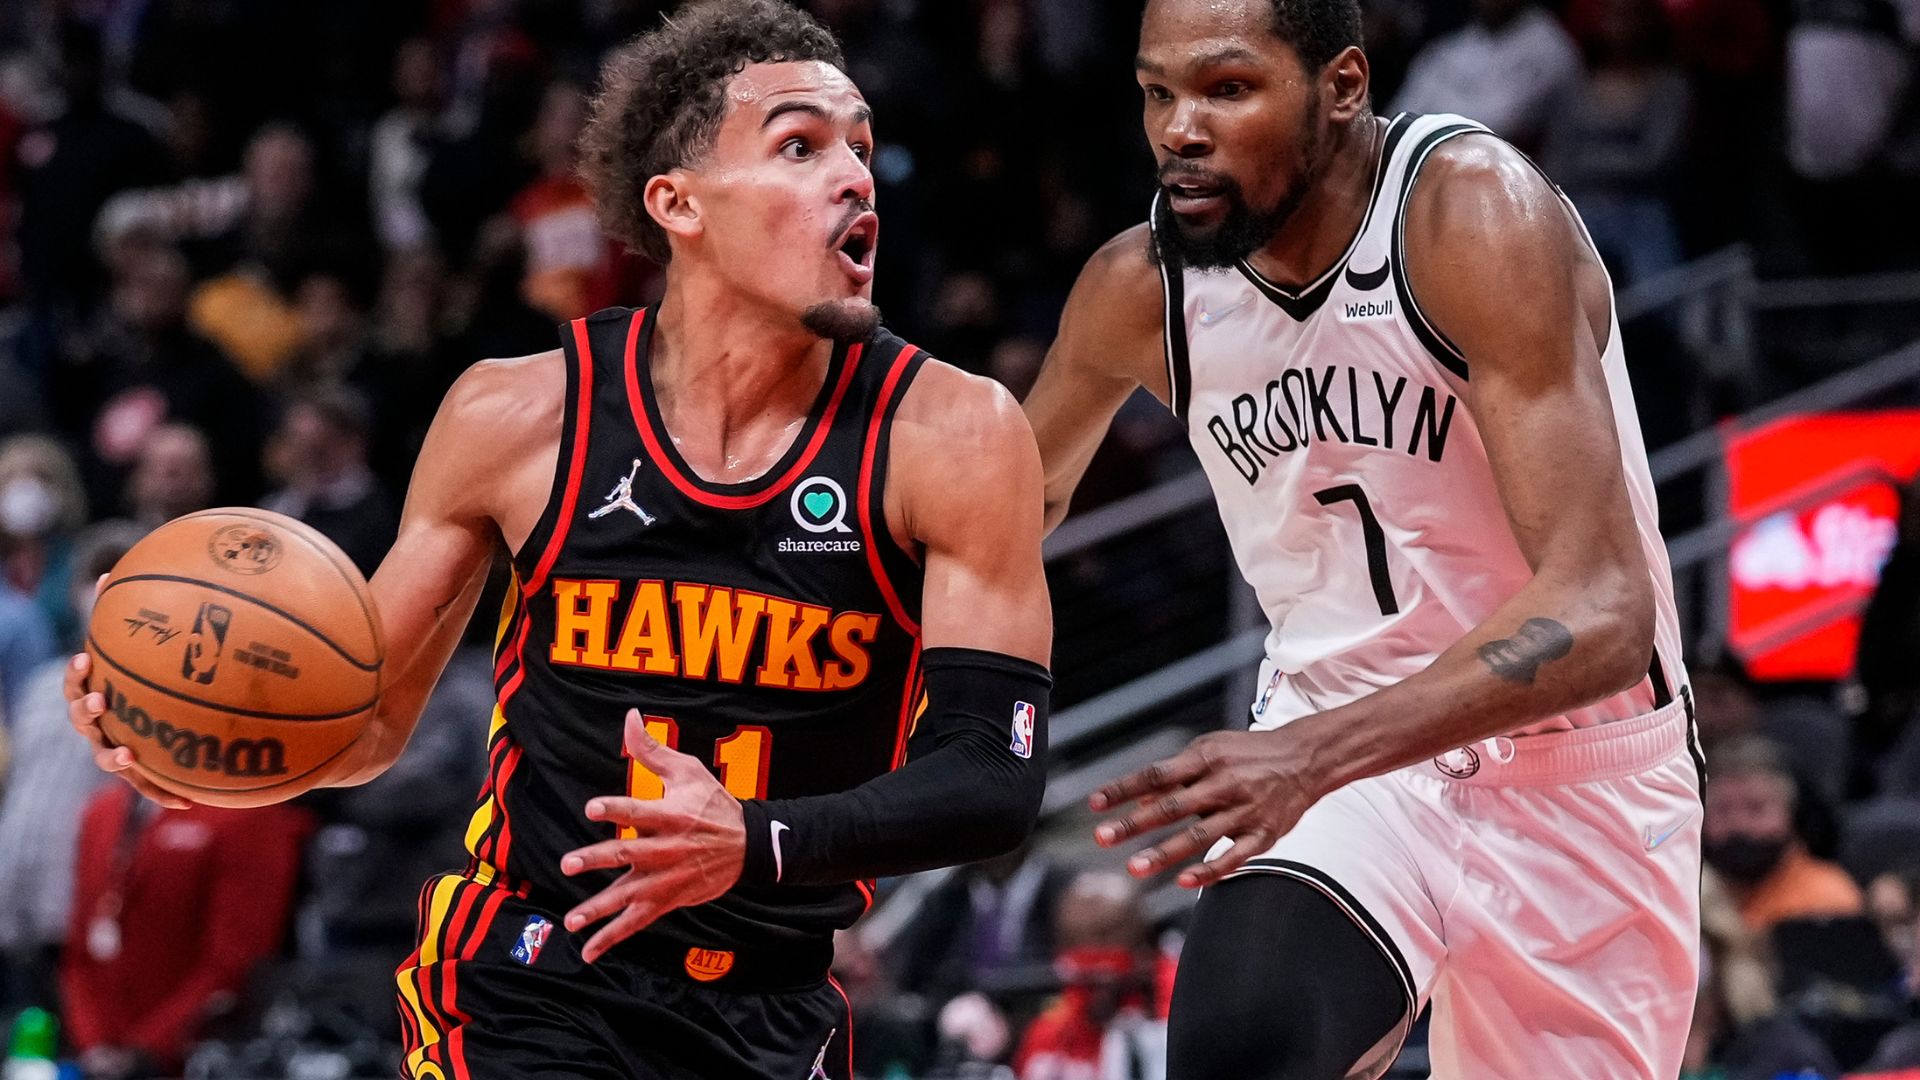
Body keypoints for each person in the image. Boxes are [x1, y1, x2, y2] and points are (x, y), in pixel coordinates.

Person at [66, 2, 1054, 1078]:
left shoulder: (953, 434)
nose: (857, 177)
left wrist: (758, 837)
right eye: (802, 147)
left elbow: (989, 777)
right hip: (527, 976)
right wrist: (207, 754)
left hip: (768, 1000)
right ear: (677, 204)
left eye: (860, 147)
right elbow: (366, 721)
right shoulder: (517, 416)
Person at [1022, 1, 1702, 1077]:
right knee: (1244, 1051)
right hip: (1343, 767)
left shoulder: (1469, 215)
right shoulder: (1139, 287)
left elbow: (1604, 611)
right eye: (1158, 93)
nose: (1177, 131)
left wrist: (1306, 756)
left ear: (1341, 86)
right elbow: (1007, 506)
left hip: (1577, 767)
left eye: (1226, 89)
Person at [1704, 735, 1863, 934]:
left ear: (1790, 813)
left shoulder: (1828, 899)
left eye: (1756, 808)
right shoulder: (1685, 896)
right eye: (1722, 810)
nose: (1739, 825)